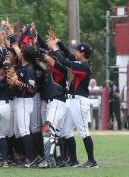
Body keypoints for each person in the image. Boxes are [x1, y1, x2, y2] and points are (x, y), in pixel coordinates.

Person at [47, 36, 98, 168]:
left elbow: (65, 61)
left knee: (84, 132)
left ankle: (92, 161)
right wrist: (59, 43)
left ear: (82, 53)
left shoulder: (84, 66)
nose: (75, 52)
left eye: (77, 51)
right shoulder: (82, 63)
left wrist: (54, 48)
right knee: (65, 131)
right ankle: (74, 160)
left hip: (80, 101)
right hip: (73, 101)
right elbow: (69, 56)